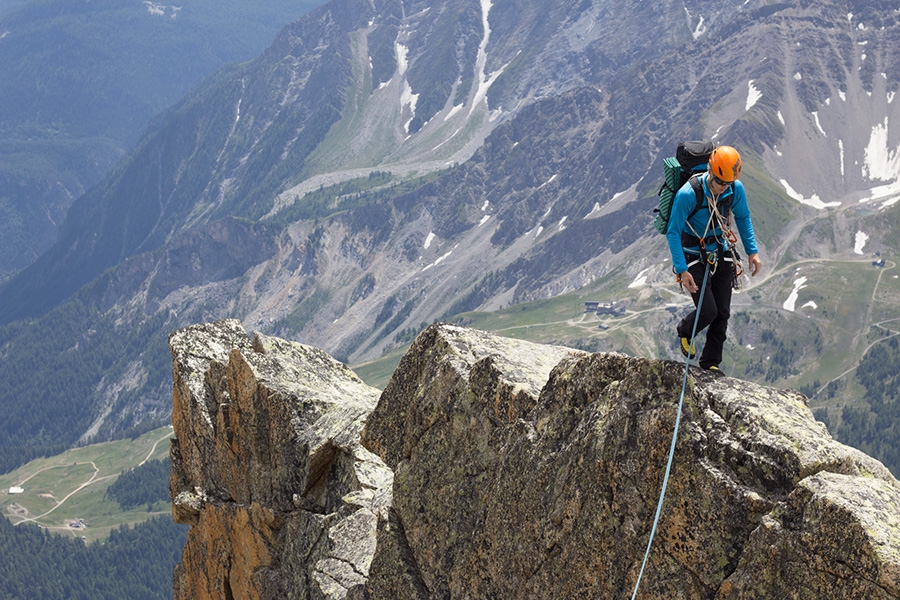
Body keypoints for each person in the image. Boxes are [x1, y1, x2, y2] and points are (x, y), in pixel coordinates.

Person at [665, 145, 761, 372]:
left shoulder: (734, 189)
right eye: (719, 182)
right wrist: (682, 269)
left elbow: (743, 217)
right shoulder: (689, 194)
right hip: (693, 253)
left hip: (721, 247)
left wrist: (752, 252)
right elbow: (673, 231)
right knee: (708, 310)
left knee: (723, 312)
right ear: (710, 170)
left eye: (727, 183)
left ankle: (711, 363)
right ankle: (685, 330)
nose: (722, 188)